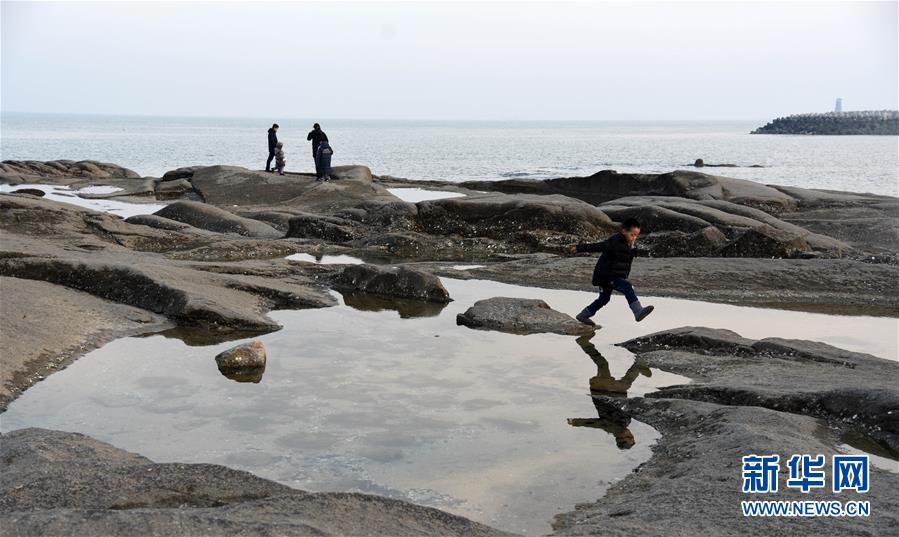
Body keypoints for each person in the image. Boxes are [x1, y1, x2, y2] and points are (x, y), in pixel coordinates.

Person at [568, 217, 654, 325]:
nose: (634, 238)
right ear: (624, 231)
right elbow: (598, 246)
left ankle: (583, 315)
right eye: (632, 234)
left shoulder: (629, 244)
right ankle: (638, 311)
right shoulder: (615, 241)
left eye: (636, 235)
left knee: (604, 299)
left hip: (610, 275)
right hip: (608, 276)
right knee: (627, 286)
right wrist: (579, 248)